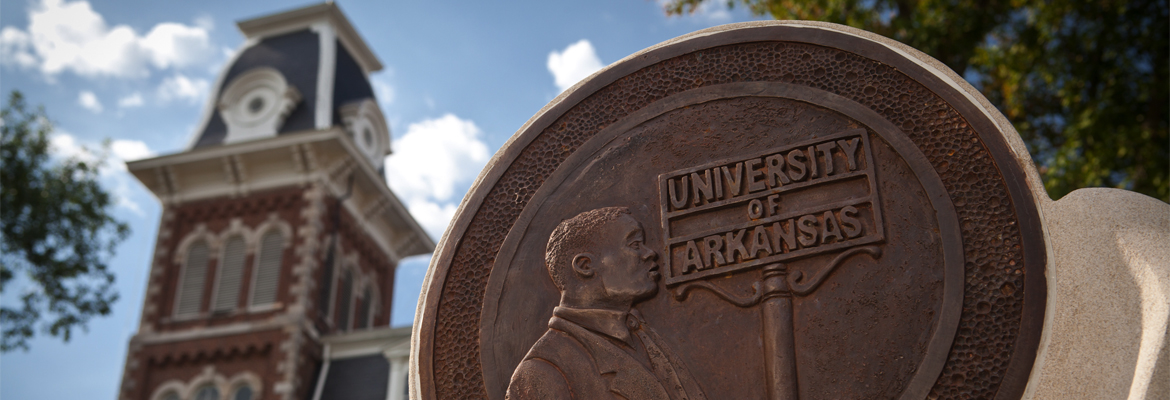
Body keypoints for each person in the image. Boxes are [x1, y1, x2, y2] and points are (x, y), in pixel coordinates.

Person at [506, 207, 707, 400]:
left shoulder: (642, 334)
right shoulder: (542, 372)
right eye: (635, 245)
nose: (650, 253)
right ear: (585, 266)